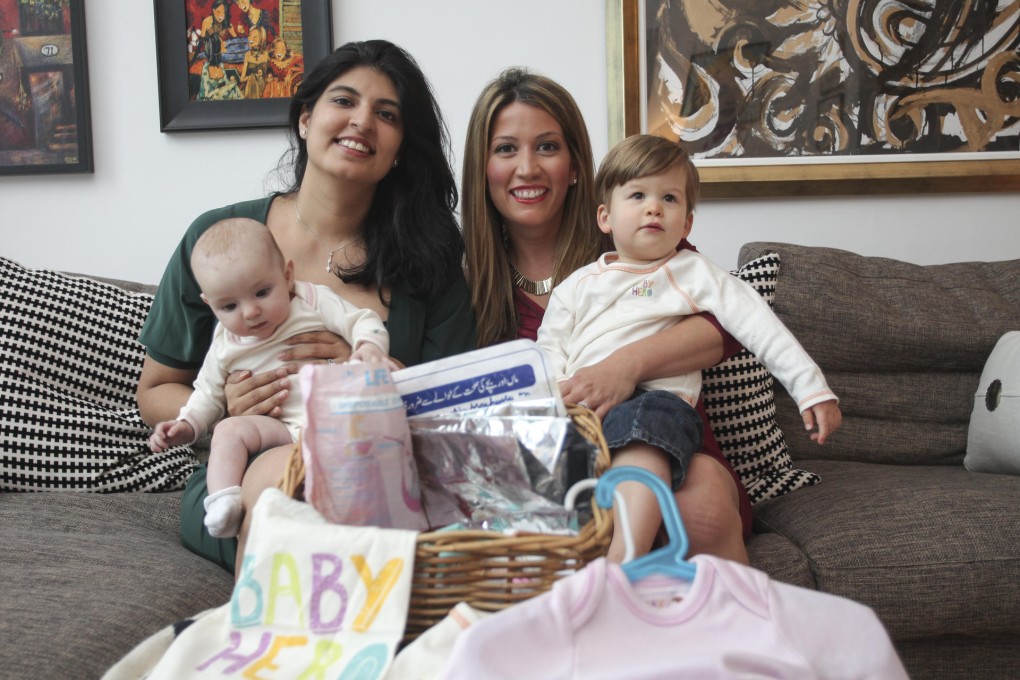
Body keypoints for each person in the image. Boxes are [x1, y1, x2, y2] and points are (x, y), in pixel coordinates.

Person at [138, 40, 476, 573]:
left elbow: (452, 411)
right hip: (245, 469)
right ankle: (281, 625)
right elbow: (155, 391)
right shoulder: (217, 241)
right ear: (305, 118)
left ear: (399, 147)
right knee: (280, 475)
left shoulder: (428, 262)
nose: (362, 121)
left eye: (386, 114)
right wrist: (229, 404)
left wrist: (354, 369)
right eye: (344, 101)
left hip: (378, 473)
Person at [461, 68, 751, 565]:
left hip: (669, 451)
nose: (527, 167)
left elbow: (728, 326)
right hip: (559, 463)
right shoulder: (467, 281)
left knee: (699, 508)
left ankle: (733, 634)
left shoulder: (635, 235)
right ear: (482, 168)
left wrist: (626, 366)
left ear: (575, 165)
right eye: (506, 149)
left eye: (547, 147)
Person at [538, 134, 843, 560]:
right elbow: (549, 350)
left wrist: (812, 389)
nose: (654, 207)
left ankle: (621, 563)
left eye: (669, 198)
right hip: (587, 418)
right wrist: (557, 409)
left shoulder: (692, 270)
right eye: (638, 195)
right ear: (604, 217)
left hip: (659, 403)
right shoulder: (577, 285)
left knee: (644, 436)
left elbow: (757, 323)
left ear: (686, 225)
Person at [148, 217, 392, 539]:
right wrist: (187, 424)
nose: (250, 312)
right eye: (230, 305)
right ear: (210, 304)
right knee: (228, 429)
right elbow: (206, 393)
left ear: (287, 276)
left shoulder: (311, 300)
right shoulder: (224, 343)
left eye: (262, 292)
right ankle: (224, 501)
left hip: (337, 414)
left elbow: (363, 319)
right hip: (280, 430)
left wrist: (368, 347)